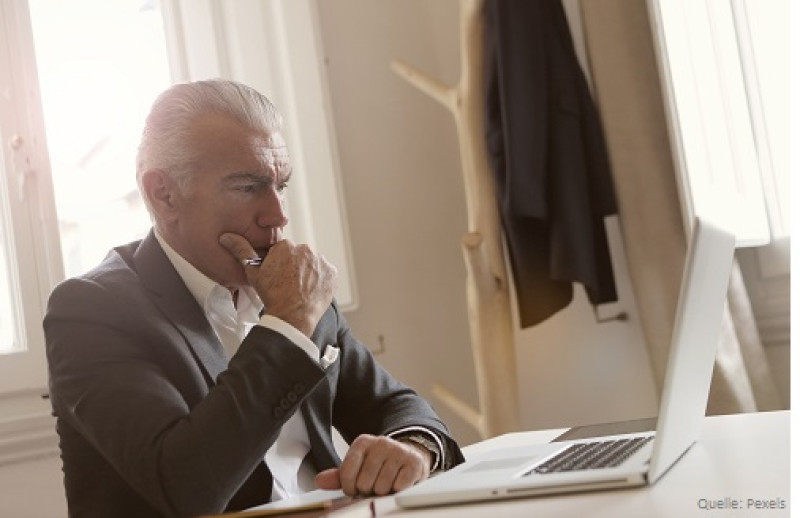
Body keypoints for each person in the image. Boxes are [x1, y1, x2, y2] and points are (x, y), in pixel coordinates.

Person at [44, 79, 464, 518]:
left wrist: (414, 448)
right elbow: (185, 487)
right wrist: (286, 324)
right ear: (163, 194)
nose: (278, 215)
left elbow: (395, 405)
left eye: (280, 186)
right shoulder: (89, 312)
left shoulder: (294, 291)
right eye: (248, 188)